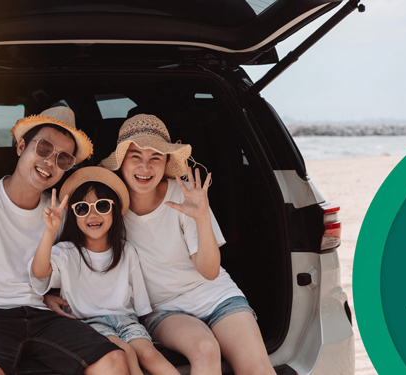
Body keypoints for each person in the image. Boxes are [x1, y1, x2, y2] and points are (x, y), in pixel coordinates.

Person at [46, 114, 275, 375]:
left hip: (216, 296)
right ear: (121, 162)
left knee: (258, 367)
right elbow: (67, 255)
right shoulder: (105, 205)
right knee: (205, 348)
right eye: (136, 157)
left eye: (155, 157)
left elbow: (210, 271)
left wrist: (201, 217)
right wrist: (47, 295)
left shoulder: (185, 195)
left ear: (166, 162)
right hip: (163, 309)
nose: (145, 167)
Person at [0, 106, 127, 375]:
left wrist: (48, 294)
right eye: (44, 148)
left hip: (40, 315)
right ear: (21, 146)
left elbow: (67, 262)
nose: (50, 161)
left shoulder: (58, 210)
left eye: (63, 159)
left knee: (114, 361)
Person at [29, 167, 180, 375]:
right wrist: (49, 231)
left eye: (102, 205)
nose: (92, 214)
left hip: (126, 321)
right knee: (125, 352)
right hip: (89, 324)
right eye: (82, 208)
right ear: (73, 214)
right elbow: (39, 272)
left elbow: (142, 306)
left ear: (115, 211)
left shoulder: (127, 250)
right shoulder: (66, 252)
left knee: (149, 354)